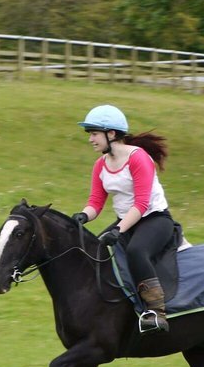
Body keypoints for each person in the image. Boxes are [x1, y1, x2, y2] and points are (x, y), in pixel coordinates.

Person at [71, 104, 175, 332]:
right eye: (90, 134)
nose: (91, 139)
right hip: (126, 222)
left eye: (94, 134)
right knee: (93, 249)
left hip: (154, 219)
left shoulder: (139, 159)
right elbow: (96, 203)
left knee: (136, 251)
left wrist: (119, 229)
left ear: (111, 133)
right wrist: (81, 217)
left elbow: (141, 203)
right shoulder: (100, 164)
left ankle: (156, 313)